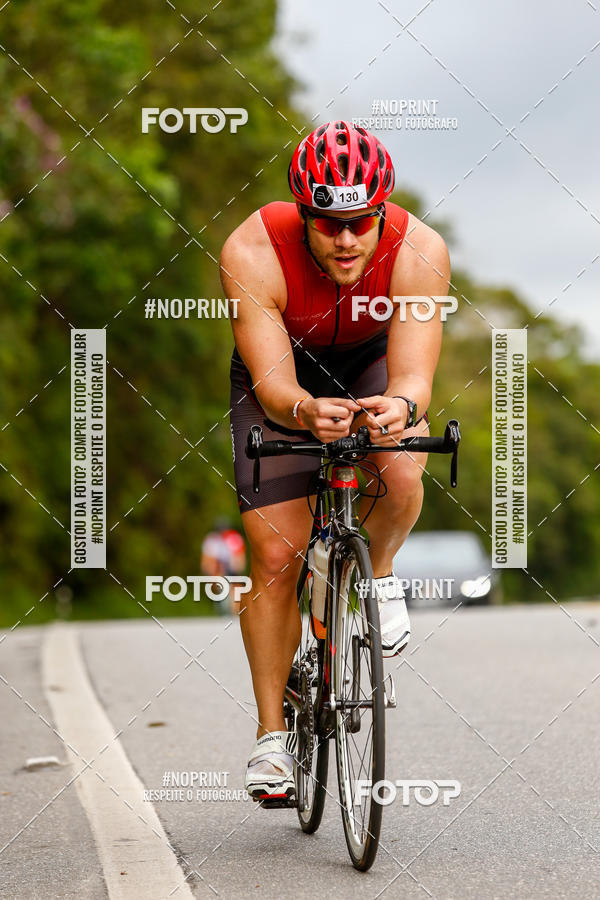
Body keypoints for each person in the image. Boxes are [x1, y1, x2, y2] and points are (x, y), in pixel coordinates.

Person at [220, 120, 450, 800]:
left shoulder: (420, 251)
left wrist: (401, 409)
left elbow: (412, 379)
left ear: (382, 211)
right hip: (283, 376)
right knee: (272, 552)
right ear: (303, 214)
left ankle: (376, 575)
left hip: (372, 361)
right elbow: (274, 387)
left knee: (402, 463)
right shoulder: (254, 247)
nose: (346, 240)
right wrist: (300, 412)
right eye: (327, 223)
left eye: (360, 222)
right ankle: (270, 741)